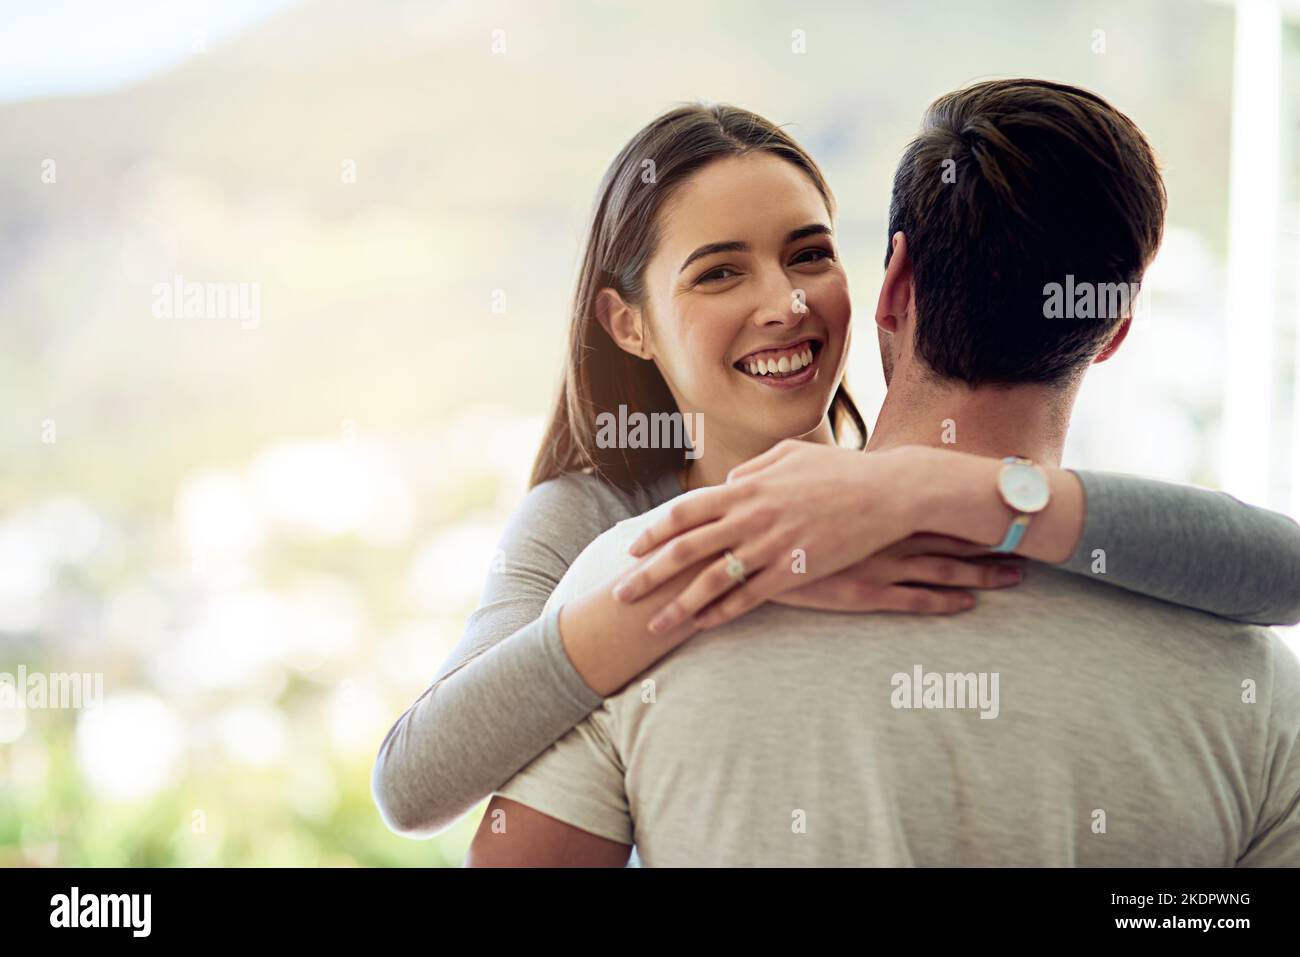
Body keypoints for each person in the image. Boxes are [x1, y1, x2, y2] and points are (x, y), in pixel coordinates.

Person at [373, 96, 1300, 842]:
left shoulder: (909, 499)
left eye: (809, 253)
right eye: (719, 273)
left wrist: (934, 490)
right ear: (630, 323)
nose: (785, 302)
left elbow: (1276, 570)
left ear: (885, 283)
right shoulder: (592, 526)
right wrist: (719, 570)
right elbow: (415, 780)